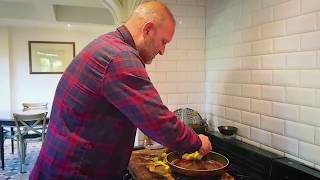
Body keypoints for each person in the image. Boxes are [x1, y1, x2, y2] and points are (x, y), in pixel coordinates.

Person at [30, 1, 212, 179]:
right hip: (75, 171)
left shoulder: (107, 45)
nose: (163, 51)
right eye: (163, 42)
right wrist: (196, 142)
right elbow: (157, 119)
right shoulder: (120, 58)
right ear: (148, 29)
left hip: (62, 164)